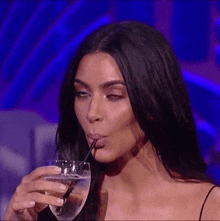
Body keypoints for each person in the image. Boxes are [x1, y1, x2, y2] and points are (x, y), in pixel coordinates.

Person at [3, 21, 220, 221]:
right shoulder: (62, 203)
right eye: (82, 93)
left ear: (153, 103)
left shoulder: (209, 206)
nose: (92, 113)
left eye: (113, 96)